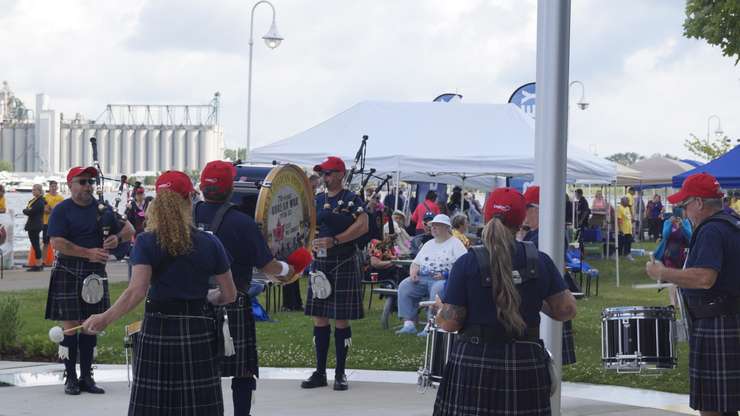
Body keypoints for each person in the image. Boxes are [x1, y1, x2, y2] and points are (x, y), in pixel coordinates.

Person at [82, 170, 236, 415]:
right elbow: (229, 295)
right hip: (197, 329)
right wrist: (208, 296)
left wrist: (104, 319)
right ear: (188, 201)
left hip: (158, 329)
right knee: (198, 406)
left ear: (157, 203)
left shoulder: (145, 242)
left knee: (154, 407)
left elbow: (136, 291)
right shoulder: (210, 242)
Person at [433, 187, 577, 416]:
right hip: (525, 363)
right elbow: (566, 310)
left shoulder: (466, 263)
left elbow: (451, 323)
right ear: (521, 221)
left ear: (487, 217)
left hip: (474, 363)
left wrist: (441, 310)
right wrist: (532, 297)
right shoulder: (539, 262)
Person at [193, 160, 300, 415]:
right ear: (231, 188)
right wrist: (289, 270)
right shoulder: (242, 223)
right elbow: (268, 267)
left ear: (201, 187)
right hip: (232, 302)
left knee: (197, 371)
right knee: (242, 371)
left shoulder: (187, 217)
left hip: (193, 303)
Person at [645, 173, 740, 416]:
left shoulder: (711, 231)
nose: (684, 212)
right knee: (728, 404)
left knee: (712, 408)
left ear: (698, 202)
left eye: (685, 205)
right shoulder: (733, 224)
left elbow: (704, 278)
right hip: (730, 318)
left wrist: (664, 272)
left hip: (718, 321)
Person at [46, 166, 135, 395]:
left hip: (95, 274)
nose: (88, 186)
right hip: (68, 270)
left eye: (91, 182)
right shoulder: (62, 210)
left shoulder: (102, 209)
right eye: (82, 181)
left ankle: (87, 377)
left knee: (91, 326)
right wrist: (88, 253)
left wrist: (116, 238)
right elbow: (57, 242)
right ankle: (71, 379)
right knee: (70, 327)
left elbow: (130, 228)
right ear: (70, 185)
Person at [303, 156, 369, 391]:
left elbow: (363, 225)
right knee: (320, 318)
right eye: (323, 173)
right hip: (320, 264)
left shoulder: (352, 200)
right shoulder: (317, 199)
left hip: (343, 262)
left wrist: (336, 240)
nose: (325, 177)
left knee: (341, 319)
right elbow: (307, 226)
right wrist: (309, 242)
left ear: (341, 174)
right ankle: (320, 372)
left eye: (329, 173)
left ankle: (340, 373)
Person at [521, 185, 578, 366]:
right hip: (545, 297)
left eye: (526, 208)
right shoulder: (533, 234)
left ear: (537, 209)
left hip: (549, 296)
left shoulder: (549, 235)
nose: (523, 213)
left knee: (549, 356)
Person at [396, 214, 467, 336]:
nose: (433, 228)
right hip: (423, 277)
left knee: (437, 289)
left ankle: (431, 325)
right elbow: (416, 263)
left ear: (446, 227)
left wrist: (446, 274)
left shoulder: (456, 244)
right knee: (405, 285)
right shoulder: (429, 244)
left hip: (444, 280)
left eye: (437, 226)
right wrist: (413, 271)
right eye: (432, 226)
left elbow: (463, 266)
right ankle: (408, 324)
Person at [23, 184, 46, 271]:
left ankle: (38, 265)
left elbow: (31, 211)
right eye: (32, 190)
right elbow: (29, 209)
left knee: (36, 245)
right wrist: (27, 210)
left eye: (35, 190)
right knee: (35, 244)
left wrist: (25, 210)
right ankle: (38, 263)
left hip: (35, 225)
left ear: (39, 191)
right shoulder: (35, 200)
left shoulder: (40, 201)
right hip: (33, 224)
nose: (33, 191)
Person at [43, 180, 65, 267]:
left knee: (58, 242)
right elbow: (45, 210)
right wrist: (54, 209)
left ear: (57, 187)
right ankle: (43, 261)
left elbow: (62, 211)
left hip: (57, 223)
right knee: (45, 242)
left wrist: (52, 209)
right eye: (52, 186)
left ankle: (57, 260)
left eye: (55, 186)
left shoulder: (61, 198)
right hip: (46, 222)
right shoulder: (45, 197)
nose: (54, 188)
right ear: (49, 187)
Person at [617, 196, 634, 261]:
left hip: (629, 229)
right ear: (623, 201)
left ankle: (627, 254)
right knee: (621, 243)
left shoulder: (627, 208)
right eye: (627, 201)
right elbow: (619, 219)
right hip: (623, 230)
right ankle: (618, 255)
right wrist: (620, 229)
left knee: (629, 242)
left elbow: (629, 217)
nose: (628, 202)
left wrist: (632, 220)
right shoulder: (620, 208)